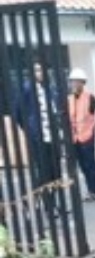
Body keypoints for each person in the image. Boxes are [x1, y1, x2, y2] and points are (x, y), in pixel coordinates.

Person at [16, 61, 63, 211]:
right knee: (43, 170)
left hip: (53, 135)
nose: (40, 73)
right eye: (36, 70)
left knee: (55, 170)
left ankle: (52, 201)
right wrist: (30, 129)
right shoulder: (26, 88)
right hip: (38, 136)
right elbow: (18, 112)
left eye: (42, 70)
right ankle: (48, 205)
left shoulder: (50, 88)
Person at [67, 67, 95, 201]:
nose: (73, 84)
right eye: (72, 82)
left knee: (90, 164)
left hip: (87, 136)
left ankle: (94, 191)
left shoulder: (89, 97)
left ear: (82, 83)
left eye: (76, 82)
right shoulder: (69, 99)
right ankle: (89, 190)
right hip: (75, 138)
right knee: (82, 165)